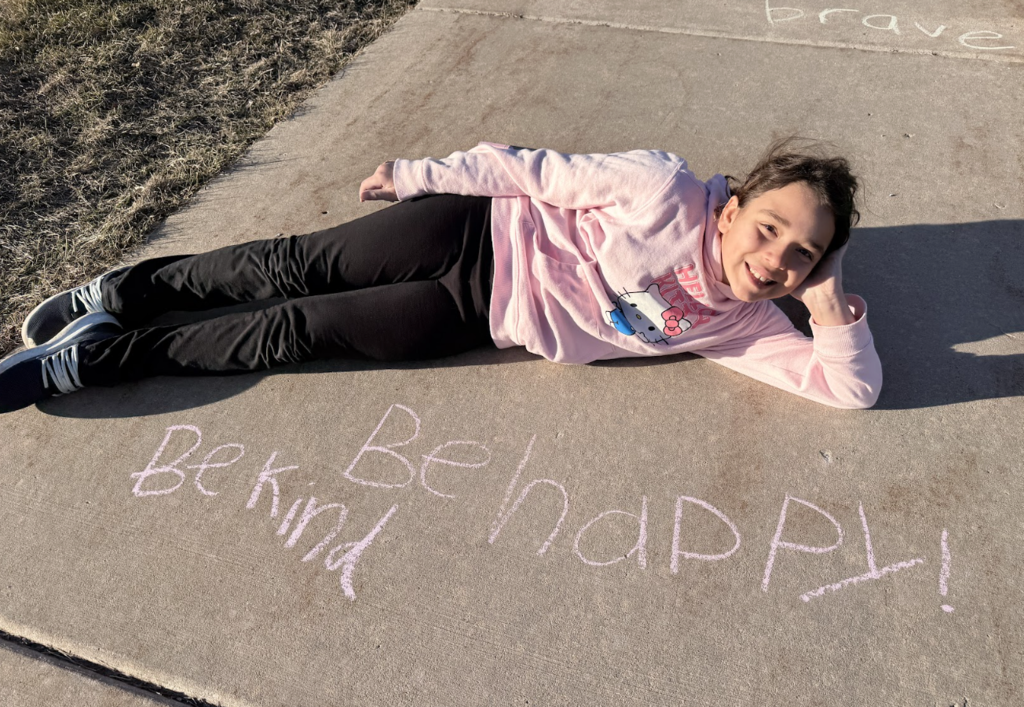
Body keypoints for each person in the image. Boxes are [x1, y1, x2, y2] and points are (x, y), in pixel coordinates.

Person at [0, 138, 882, 413]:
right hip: (470, 230)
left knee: (294, 331)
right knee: (291, 265)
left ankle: (92, 362)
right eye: (769, 229)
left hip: (477, 317)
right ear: (733, 209)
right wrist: (422, 175)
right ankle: (124, 295)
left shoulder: (749, 325)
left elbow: (851, 392)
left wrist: (828, 302)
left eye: (801, 252)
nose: (773, 259)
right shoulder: (662, 189)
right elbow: (536, 171)